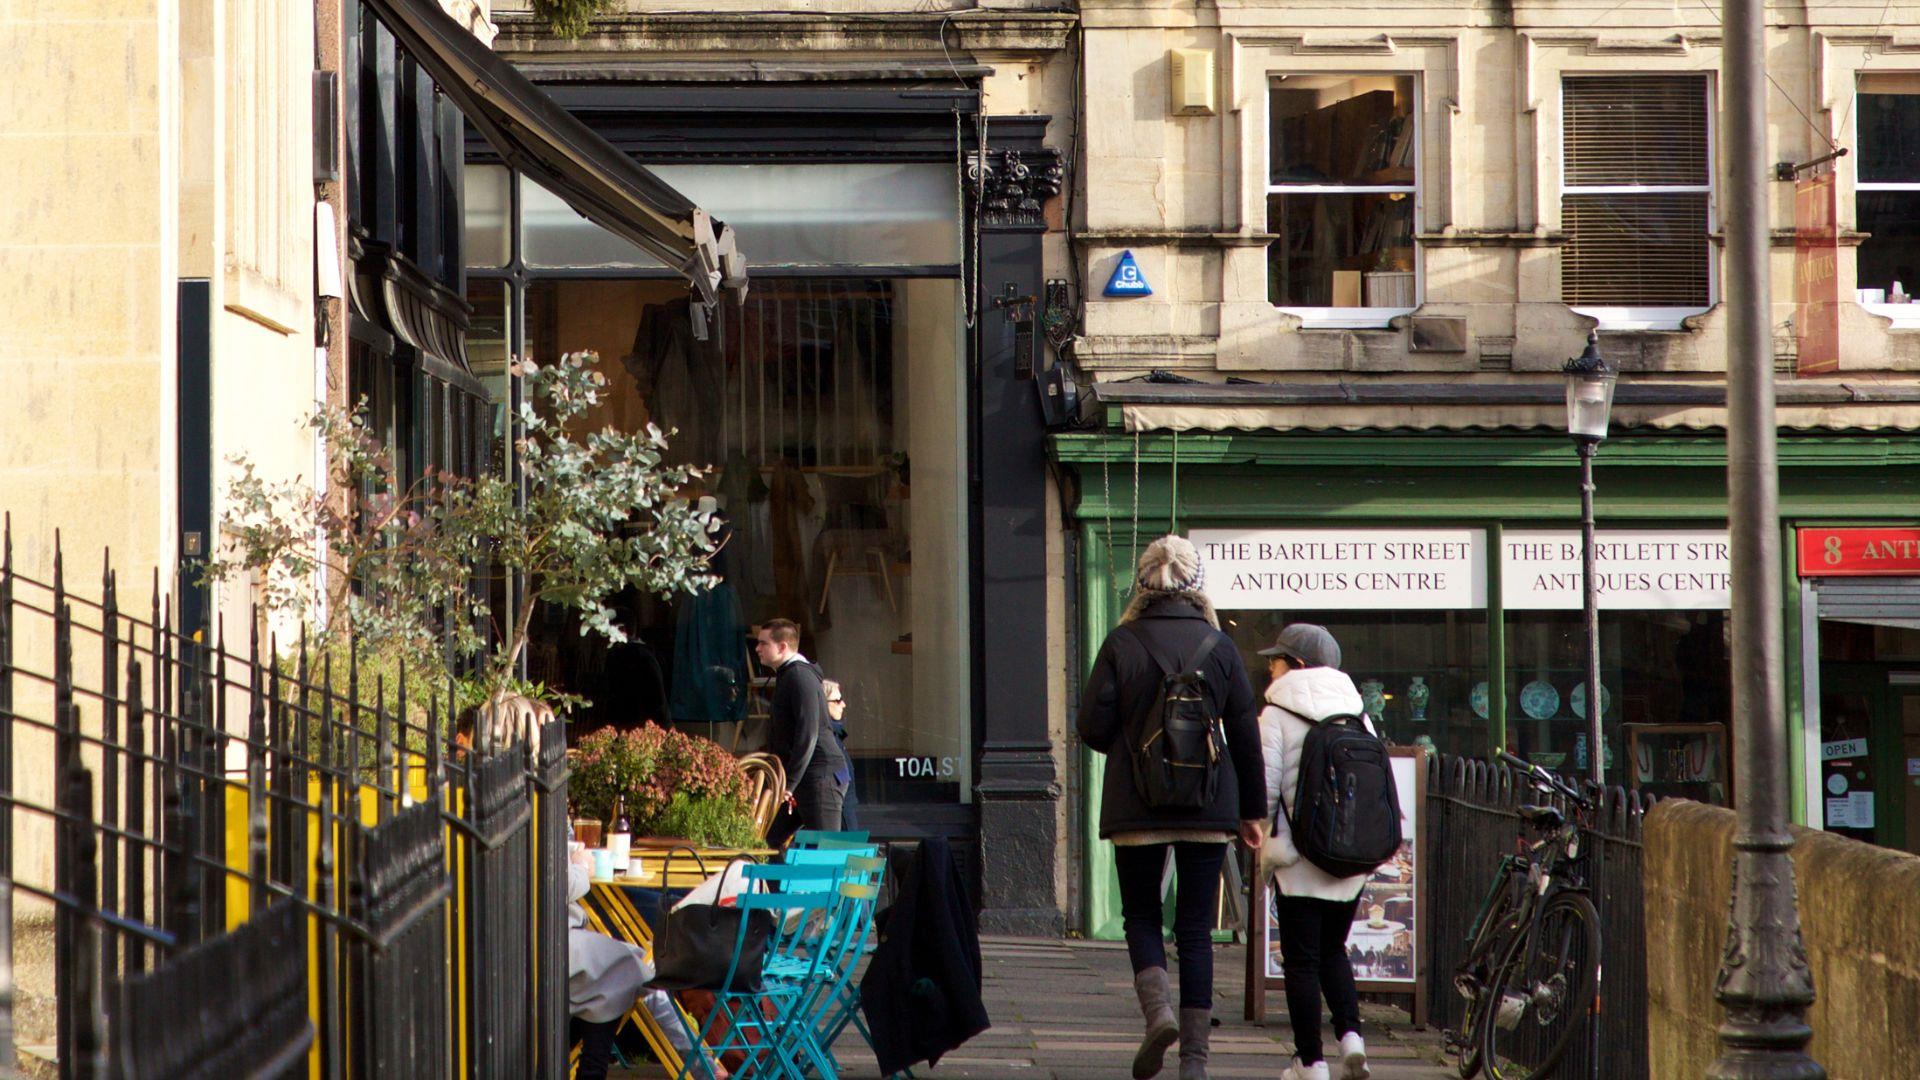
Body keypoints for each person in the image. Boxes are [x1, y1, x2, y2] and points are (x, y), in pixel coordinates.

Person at [1075, 535, 1267, 1080]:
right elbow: (1246, 740)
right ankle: (1195, 1062)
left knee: (1141, 915)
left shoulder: (1120, 642)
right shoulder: (1219, 646)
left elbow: (1091, 728)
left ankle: (1158, 1014)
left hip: (1137, 805)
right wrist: (1252, 813)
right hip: (1208, 806)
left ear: (1143, 581)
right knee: (1195, 930)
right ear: (1195, 583)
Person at [1257, 623, 1373, 1080]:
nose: (1271, 666)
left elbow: (1264, 791)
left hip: (1298, 857)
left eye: (1278, 659)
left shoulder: (1276, 713)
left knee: (1301, 960)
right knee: (1333, 950)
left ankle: (1311, 1062)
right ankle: (1351, 1039)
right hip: (1349, 858)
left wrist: (1259, 836)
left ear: (1297, 665)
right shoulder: (1358, 712)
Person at [755, 618, 851, 831]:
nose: (757, 648)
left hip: (819, 777)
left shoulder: (799, 676)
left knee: (826, 851)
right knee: (767, 842)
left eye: (763, 643)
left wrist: (789, 784)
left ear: (782, 647)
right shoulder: (789, 675)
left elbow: (808, 734)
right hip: (804, 779)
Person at [822, 678, 860, 830]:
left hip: (844, 802)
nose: (843, 704)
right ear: (823, 703)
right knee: (851, 848)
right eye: (837, 700)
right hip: (840, 804)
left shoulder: (833, 733)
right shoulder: (826, 735)